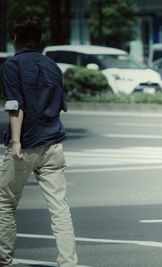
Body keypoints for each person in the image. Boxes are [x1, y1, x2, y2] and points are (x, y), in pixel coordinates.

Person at [0, 15, 78, 266]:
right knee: (60, 209)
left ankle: (4, 259)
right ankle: (68, 262)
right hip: (53, 144)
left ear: (14, 38)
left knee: (4, 203)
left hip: (25, 145)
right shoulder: (52, 66)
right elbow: (59, 106)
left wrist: (15, 142)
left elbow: (15, 106)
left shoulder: (13, 65)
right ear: (39, 37)